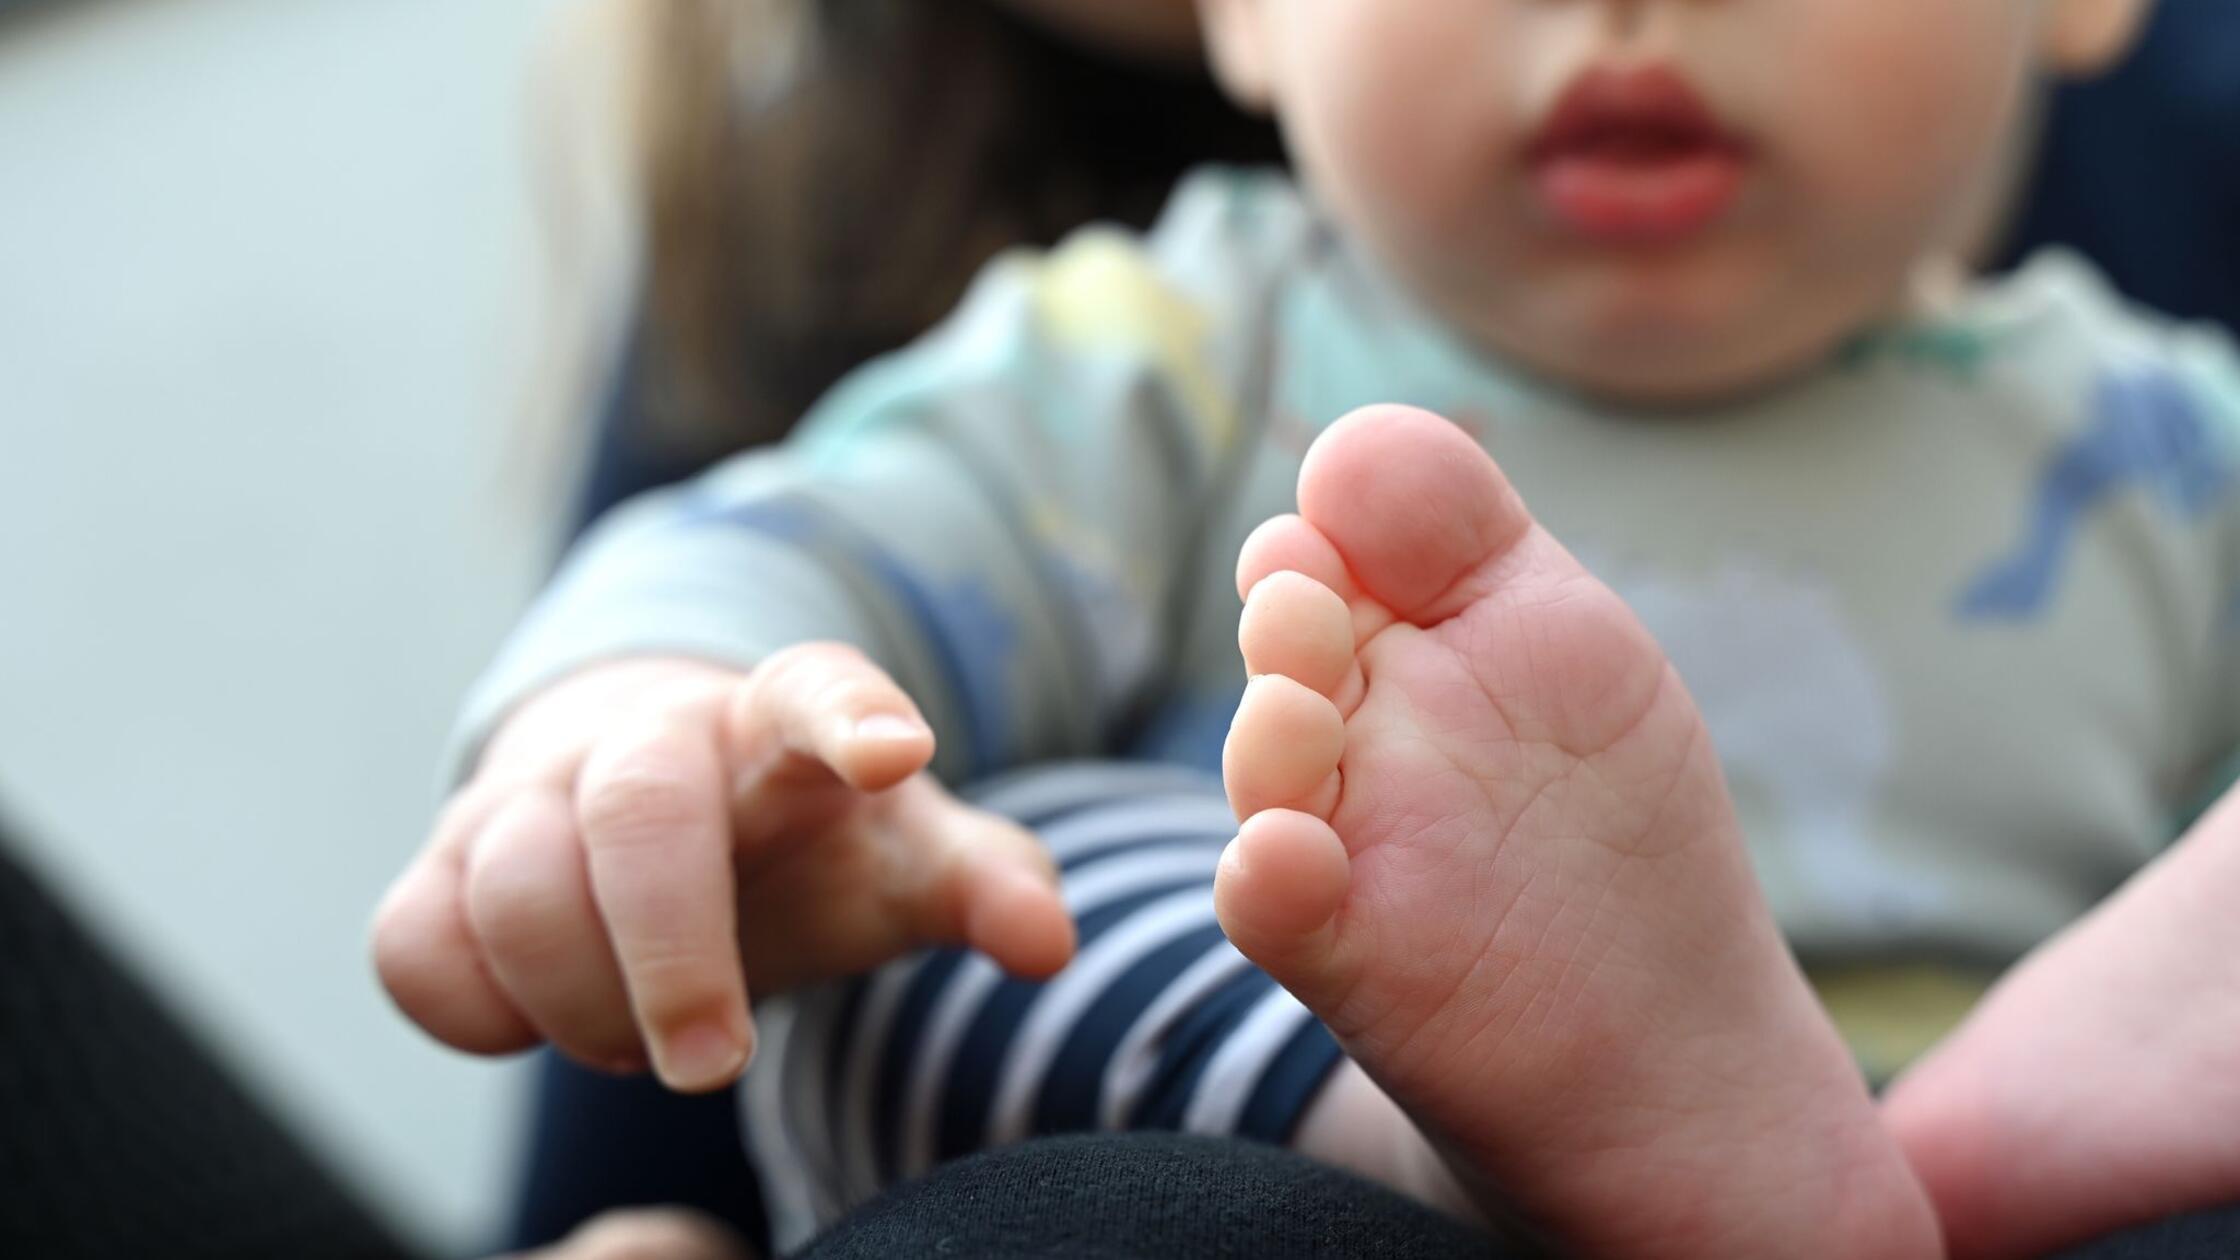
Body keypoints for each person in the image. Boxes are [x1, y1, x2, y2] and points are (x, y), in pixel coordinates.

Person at [374, 0, 2240, 1256]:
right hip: (1303, 1120)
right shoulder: (1176, 358)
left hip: (1980, 1135)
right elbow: (788, 546)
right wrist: (647, 719)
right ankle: (1489, 1142)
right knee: (976, 882)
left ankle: (1923, 1140)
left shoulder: (2183, 447)